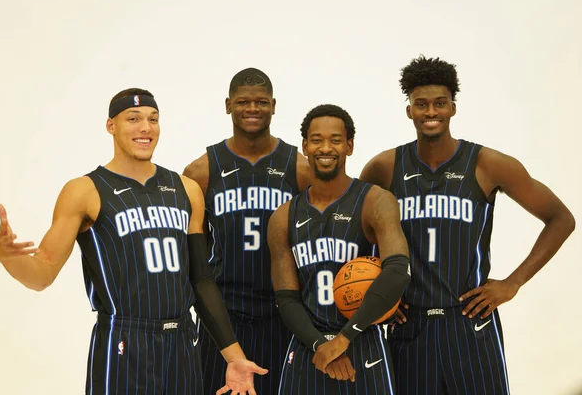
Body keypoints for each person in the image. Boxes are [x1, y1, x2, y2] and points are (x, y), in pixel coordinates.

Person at [0, 88, 267, 395]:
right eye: (133, 119)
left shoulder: (186, 189)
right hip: (123, 339)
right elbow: (42, 274)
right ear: (111, 125)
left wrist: (234, 357)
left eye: (153, 119)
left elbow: (202, 281)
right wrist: (9, 258)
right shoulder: (85, 190)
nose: (145, 128)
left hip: (181, 342)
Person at [359, 55, 576, 394]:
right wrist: (380, 298)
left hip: (470, 322)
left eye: (440, 103)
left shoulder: (487, 163)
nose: (431, 112)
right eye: (421, 104)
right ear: (409, 110)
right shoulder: (383, 168)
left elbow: (561, 219)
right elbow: (361, 239)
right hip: (408, 325)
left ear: (453, 108)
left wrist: (512, 283)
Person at [183, 67, 311, 395]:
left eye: (260, 102)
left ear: (273, 105)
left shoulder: (298, 168)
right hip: (223, 317)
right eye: (243, 102)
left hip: (282, 314)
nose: (252, 109)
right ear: (228, 105)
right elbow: (192, 255)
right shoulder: (201, 171)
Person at [268, 104, 411, 394]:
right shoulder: (283, 216)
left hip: (362, 342)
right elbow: (286, 298)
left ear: (349, 146)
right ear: (305, 146)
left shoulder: (375, 201)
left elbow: (398, 271)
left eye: (335, 140)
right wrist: (322, 345)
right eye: (317, 139)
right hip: (308, 345)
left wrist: (343, 340)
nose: (326, 148)